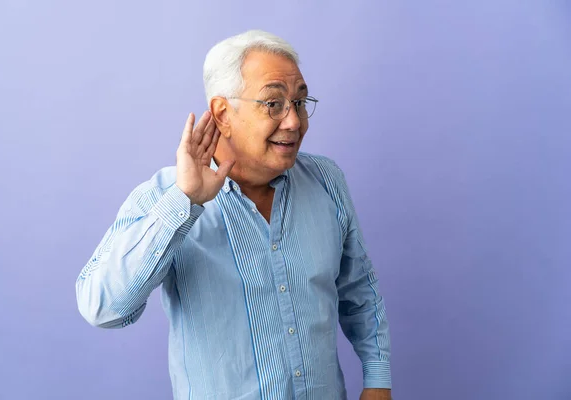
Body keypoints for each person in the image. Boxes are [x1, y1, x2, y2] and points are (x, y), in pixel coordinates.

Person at [76, 29, 392, 400]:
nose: (294, 121)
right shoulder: (163, 197)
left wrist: (378, 379)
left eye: (301, 102)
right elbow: (103, 309)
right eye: (273, 104)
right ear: (223, 114)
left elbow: (359, 291)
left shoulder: (327, 181)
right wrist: (186, 201)